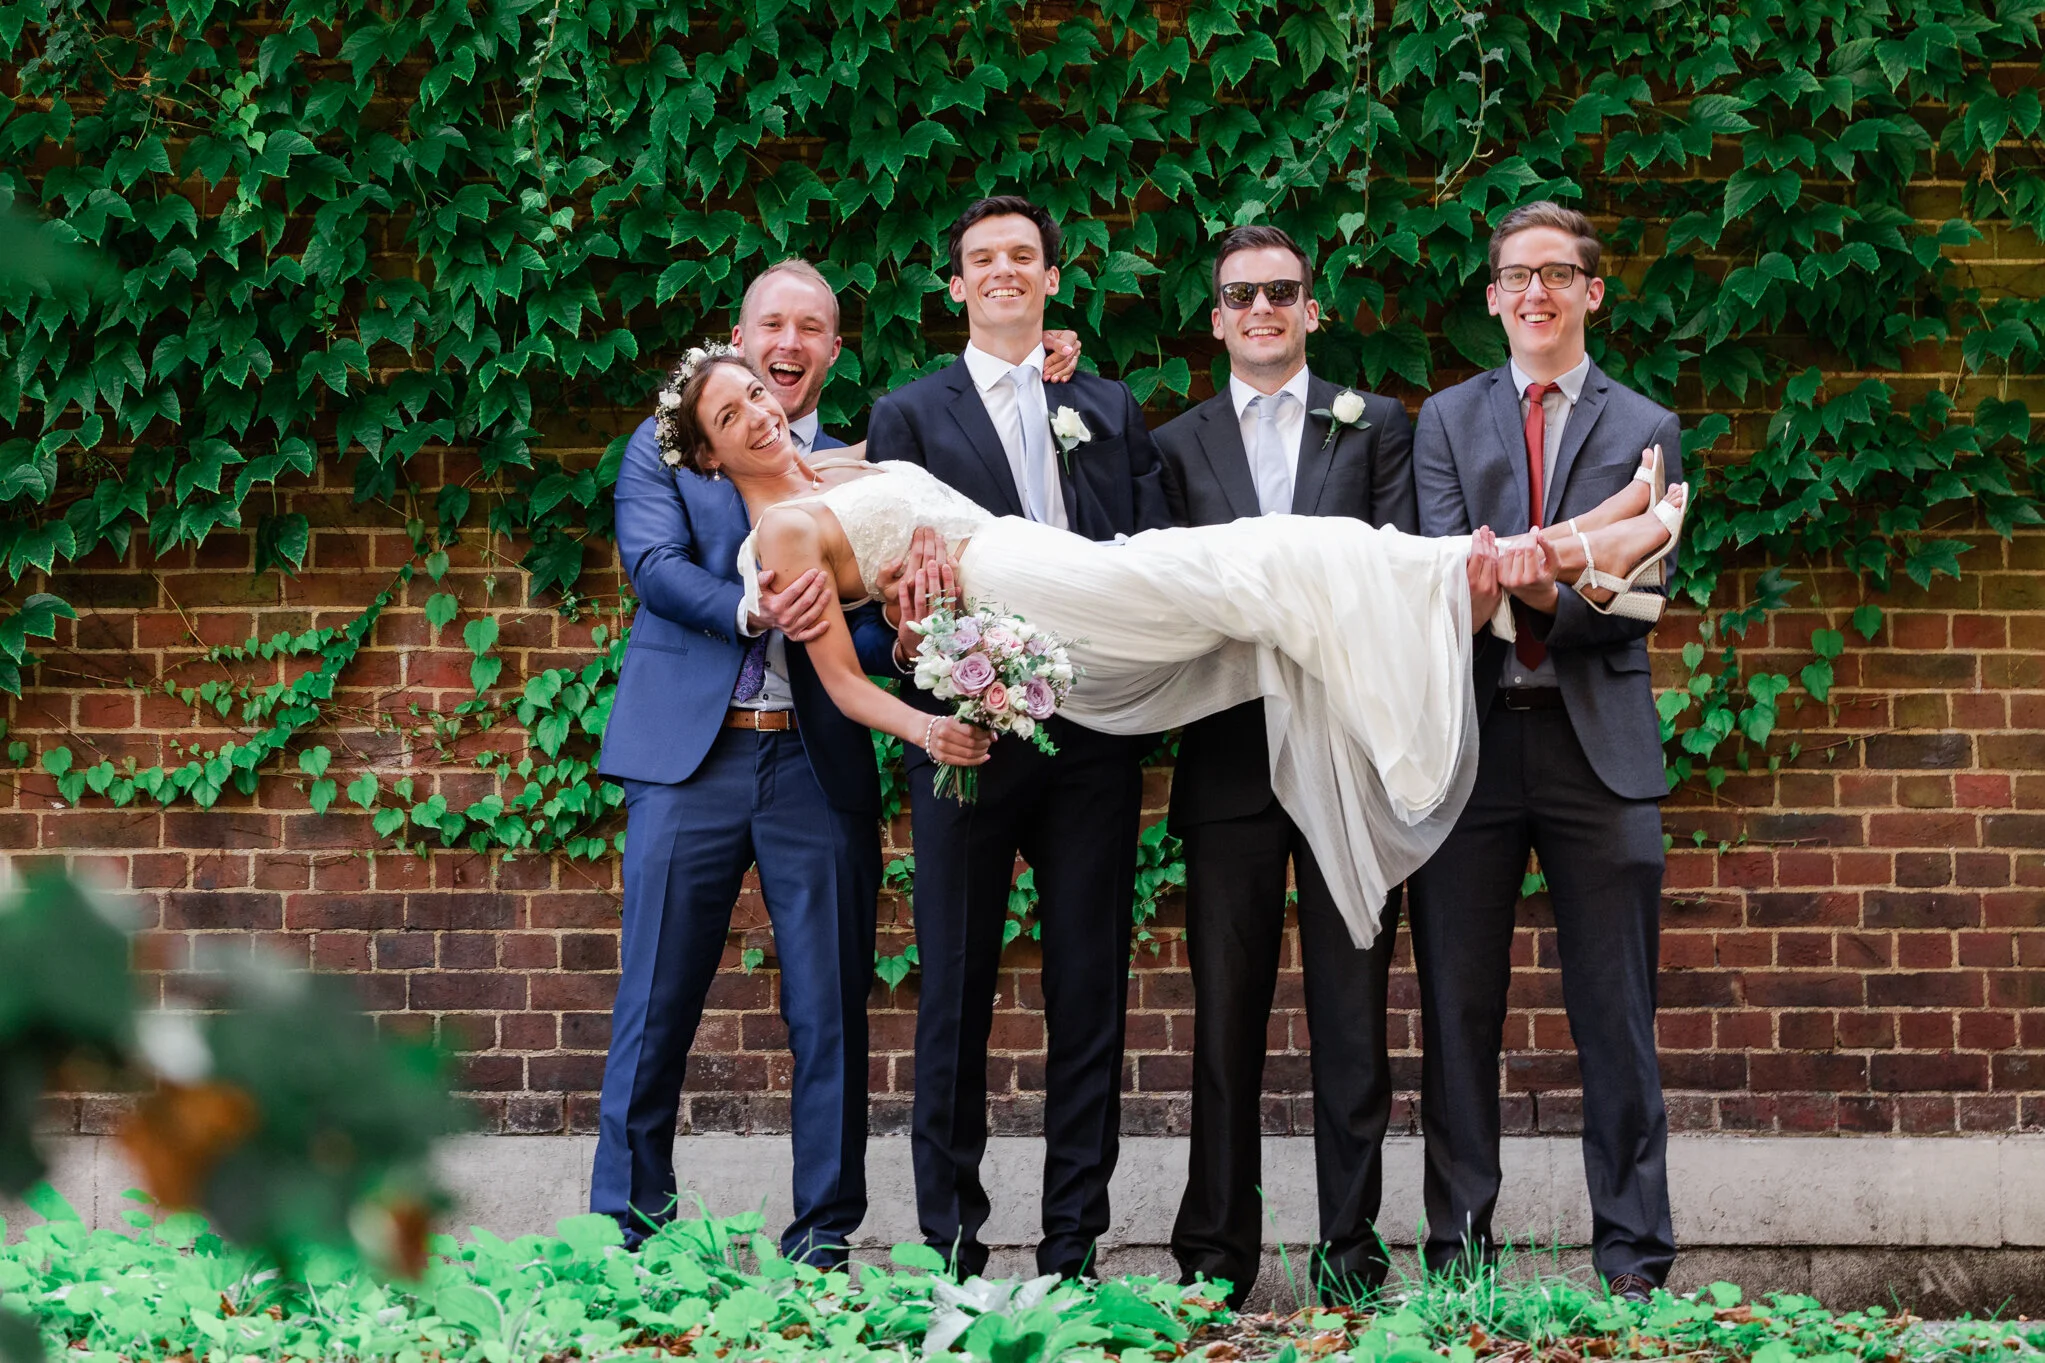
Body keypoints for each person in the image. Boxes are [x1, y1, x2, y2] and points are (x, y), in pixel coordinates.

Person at [649, 350, 1687, 1264]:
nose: (758, 415)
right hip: (1039, 593)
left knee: (1285, 573)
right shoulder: (782, 535)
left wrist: (1048, 359)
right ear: (704, 456)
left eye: (756, 396)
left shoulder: (839, 465)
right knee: (1284, 560)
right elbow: (840, 681)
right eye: (729, 417)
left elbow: (965, 417)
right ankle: (1574, 548)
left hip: (1052, 562)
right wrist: (928, 730)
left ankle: (1572, 542)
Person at [862, 195, 1172, 1280]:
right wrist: (914, 639)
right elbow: (887, 589)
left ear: (1050, 278)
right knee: (952, 991)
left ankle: (1072, 1248)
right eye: (982, 258)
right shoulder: (907, 415)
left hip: (1091, 737)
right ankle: (949, 1246)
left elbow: (1147, 551)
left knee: (1090, 991)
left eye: (1022, 256)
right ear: (956, 285)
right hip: (966, 736)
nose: (1003, 270)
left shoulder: (1106, 404)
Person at [1408, 201, 1684, 1302]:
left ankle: (1634, 1266)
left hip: (1598, 751)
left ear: (1591, 292)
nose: (1537, 292)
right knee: (1455, 1011)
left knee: (1616, 1018)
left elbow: (1639, 595)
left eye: (1558, 274)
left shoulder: (1646, 424)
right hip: (1469, 746)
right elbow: (1445, 574)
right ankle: (1457, 1265)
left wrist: (1533, 581)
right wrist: (1576, 556)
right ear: (1492, 297)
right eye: (1517, 275)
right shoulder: (1443, 419)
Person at [1154, 224, 1416, 1308]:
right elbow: (1163, 597)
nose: (1260, 308)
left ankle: (1350, 1260)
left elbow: (1399, 576)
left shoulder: (1376, 426)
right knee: (1224, 1023)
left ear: (1311, 308)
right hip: (1227, 767)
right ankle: (1215, 1259)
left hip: (1347, 761)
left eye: (1279, 291)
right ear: (1215, 319)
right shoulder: (1173, 446)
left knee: (1353, 1020)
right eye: (1239, 295)